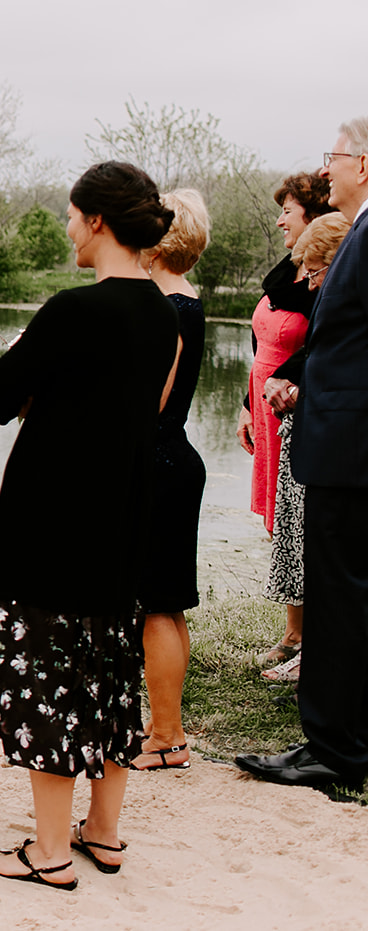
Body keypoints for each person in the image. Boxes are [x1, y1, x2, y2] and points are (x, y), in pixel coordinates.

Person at [0, 161, 179, 889]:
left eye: (69, 213)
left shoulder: (71, 311)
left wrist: (36, 359)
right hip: (121, 512)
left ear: (96, 220)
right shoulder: (163, 315)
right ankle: (106, 830)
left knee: (46, 676)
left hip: (52, 517)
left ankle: (49, 849)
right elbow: (141, 407)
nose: (65, 227)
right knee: (110, 668)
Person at [239, 117, 368, 792]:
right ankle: (347, 734)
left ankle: (332, 747)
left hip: (350, 448)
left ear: (364, 165)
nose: (327, 171)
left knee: (340, 598)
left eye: (335, 158)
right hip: (337, 432)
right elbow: (344, 340)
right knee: (347, 592)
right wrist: (301, 379)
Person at [257, 210, 353, 686]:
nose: (309, 284)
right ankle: (306, 646)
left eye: (315, 272)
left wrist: (296, 381)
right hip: (302, 419)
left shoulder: (347, 294)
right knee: (298, 537)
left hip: (335, 437)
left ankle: (319, 662)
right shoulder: (328, 292)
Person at [134, 188, 211, 771]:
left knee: (157, 607)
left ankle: (166, 737)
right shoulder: (188, 300)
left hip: (158, 463)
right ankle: (168, 729)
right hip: (176, 460)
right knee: (169, 605)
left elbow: (151, 401)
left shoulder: (168, 308)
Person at [240, 173, 330, 666]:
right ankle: (293, 630)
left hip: (296, 410)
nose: (279, 220)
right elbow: (262, 343)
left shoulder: (324, 282)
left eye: (288, 212)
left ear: (313, 218)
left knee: (302, 520)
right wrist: (246, 405)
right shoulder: (288, 275)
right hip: (265, 404)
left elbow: (315, 346)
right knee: (280, 519)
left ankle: (310, 634)